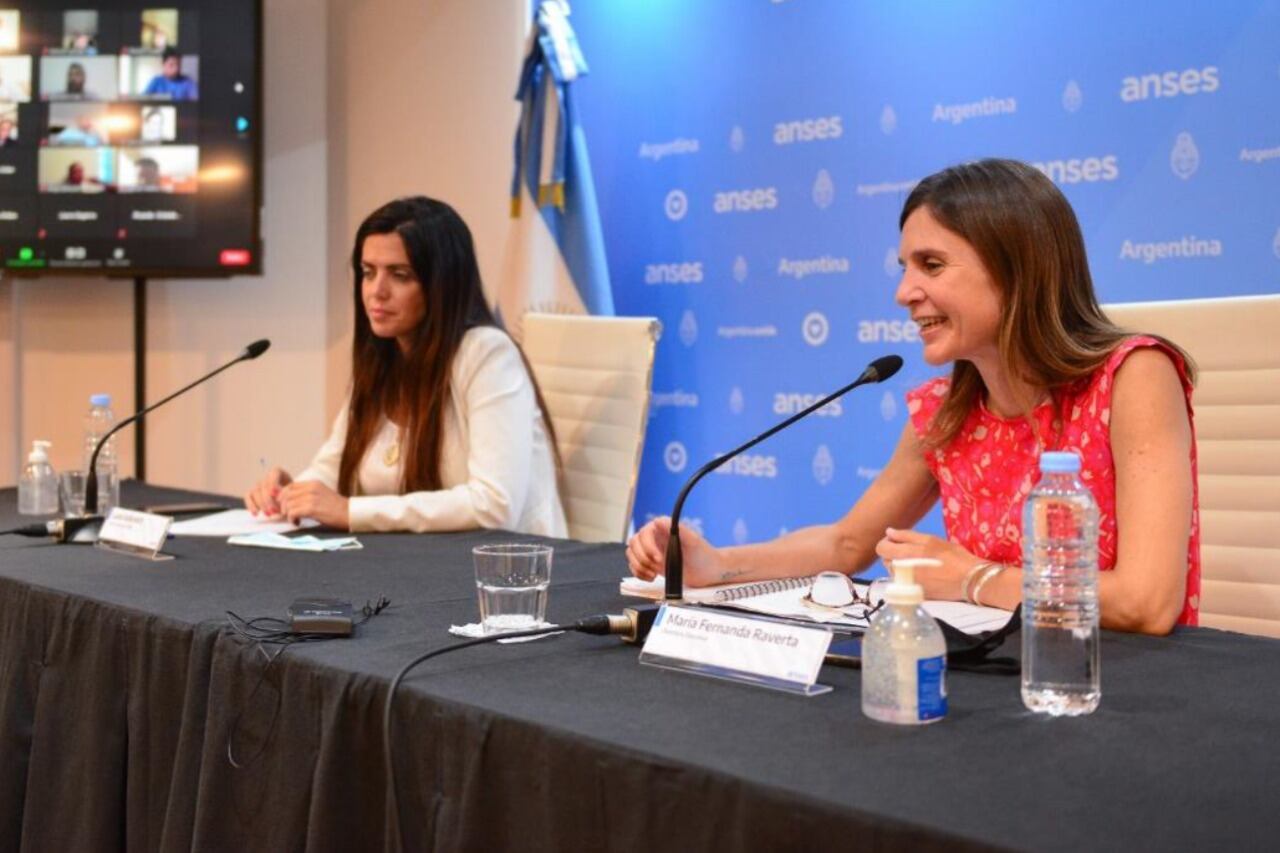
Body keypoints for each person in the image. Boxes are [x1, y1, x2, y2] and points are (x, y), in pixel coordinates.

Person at [627, 158, 1199, 636]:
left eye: (931, 265)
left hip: (1115, 690)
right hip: (994, 681)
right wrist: (718, 566)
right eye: (904, 267)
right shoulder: (945, 411)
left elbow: (1147, 603)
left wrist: (971, 579)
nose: (904, 293)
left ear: (1017, 270)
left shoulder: (1134, 376)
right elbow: (848, 543)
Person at [245, 196, 568, 536]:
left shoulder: (486, 354)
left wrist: (350, 511)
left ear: (442, 284)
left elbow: (494, 505)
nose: (376, 292)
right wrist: (291, 493)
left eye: (399, 275)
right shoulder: (381, 359)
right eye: (368, 273)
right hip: (417, 565)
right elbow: (333, 469)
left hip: (508, 574)